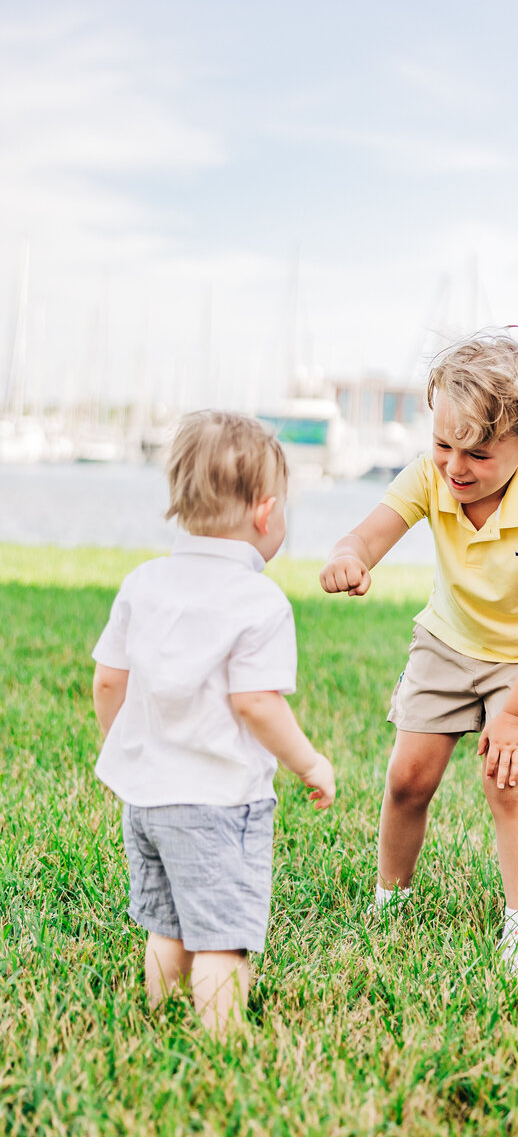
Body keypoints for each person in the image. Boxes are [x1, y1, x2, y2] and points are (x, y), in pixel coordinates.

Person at [319, 329, 518, 971]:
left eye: (479, 454)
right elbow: (368, 535)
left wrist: (514, 718)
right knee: (409, 778)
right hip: (447, 640)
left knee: (508, 782)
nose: (456, 466)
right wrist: (347, 557)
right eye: (443, 445)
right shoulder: (431, 478)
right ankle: (392, 899)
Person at [92, 411, 335, 1035]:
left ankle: (158, 1022)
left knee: (166, 927)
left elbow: (108, 681)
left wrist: (127, 749)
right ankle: (221, 1045)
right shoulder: (258, 602)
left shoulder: (143, 583)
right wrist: (309, 761)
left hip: (146, 802)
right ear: (265, 512)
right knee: (222, 937)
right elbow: (257, 703)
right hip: (218, 803)